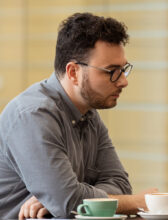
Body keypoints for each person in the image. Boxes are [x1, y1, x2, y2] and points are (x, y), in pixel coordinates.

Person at [0, 12, 157, 219]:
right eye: (111, 71)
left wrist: (65, 196)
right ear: (73, 72)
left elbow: (120, 183)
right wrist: (137, 202)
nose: (123, 81)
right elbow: (69, 202)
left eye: (123, 69)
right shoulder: (33, 115)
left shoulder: (89, 113)